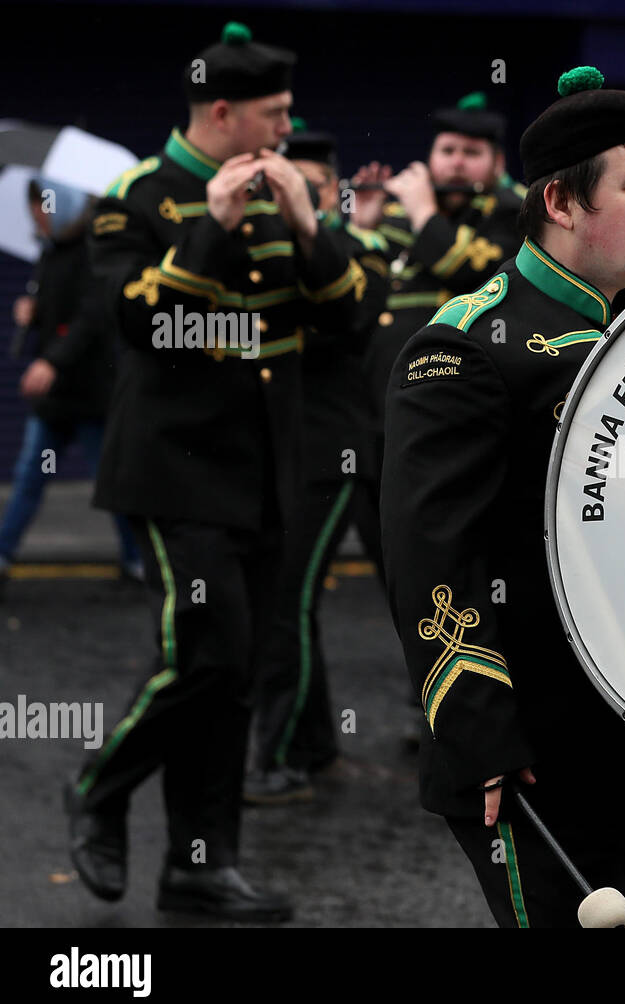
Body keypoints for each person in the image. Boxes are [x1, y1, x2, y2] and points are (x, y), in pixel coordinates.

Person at [381, 65, 625, 928]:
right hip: (534, 753)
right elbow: (433, 559)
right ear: (562, 203)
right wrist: (478, 730)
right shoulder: (466, 347)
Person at [65, 22, 370, 921]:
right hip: (177, 466)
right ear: (224, 111)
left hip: (270, 467)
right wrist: (213, 229)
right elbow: (137, 325)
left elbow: (350, 318)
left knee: (235, 674)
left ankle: (201, 863)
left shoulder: (290, 192)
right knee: (208, 653)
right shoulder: (140, 195)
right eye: (273, 116)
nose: (286, 130)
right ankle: (97, 784)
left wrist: (312, 229)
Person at [244, 122, 388, 803]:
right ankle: (316, 747)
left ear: (337, 192)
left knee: (285, 604)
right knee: (284, 603)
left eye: (313, 184)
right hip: (273, 450)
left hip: (332, 451)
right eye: (284, 182)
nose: (299, 194)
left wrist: (306, 231)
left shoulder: (360, 249)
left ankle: (269, 761)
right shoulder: (257, 248)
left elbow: (350, 318)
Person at [348, 91, 524, 589]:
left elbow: (483, 274)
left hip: (458, 417)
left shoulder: (518, 212)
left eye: (471, 153)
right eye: (447, 150)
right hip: (378, 416)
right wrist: (363, 228)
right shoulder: (394, 217)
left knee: (452, 562)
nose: (456, 162)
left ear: (496, 162)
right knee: (389, 555)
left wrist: (424, 213)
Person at [0, 179, 141, 599]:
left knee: (109, 483)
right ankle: (3, 554)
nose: (35, 219)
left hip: (91, 397)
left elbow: (91, 319)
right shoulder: (50, 251)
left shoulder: (94, 251)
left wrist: (51, 360)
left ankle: (137, 560)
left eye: (40, 209)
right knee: (31, 476)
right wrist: (34, 312)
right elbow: (59, 314)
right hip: (55, 402)